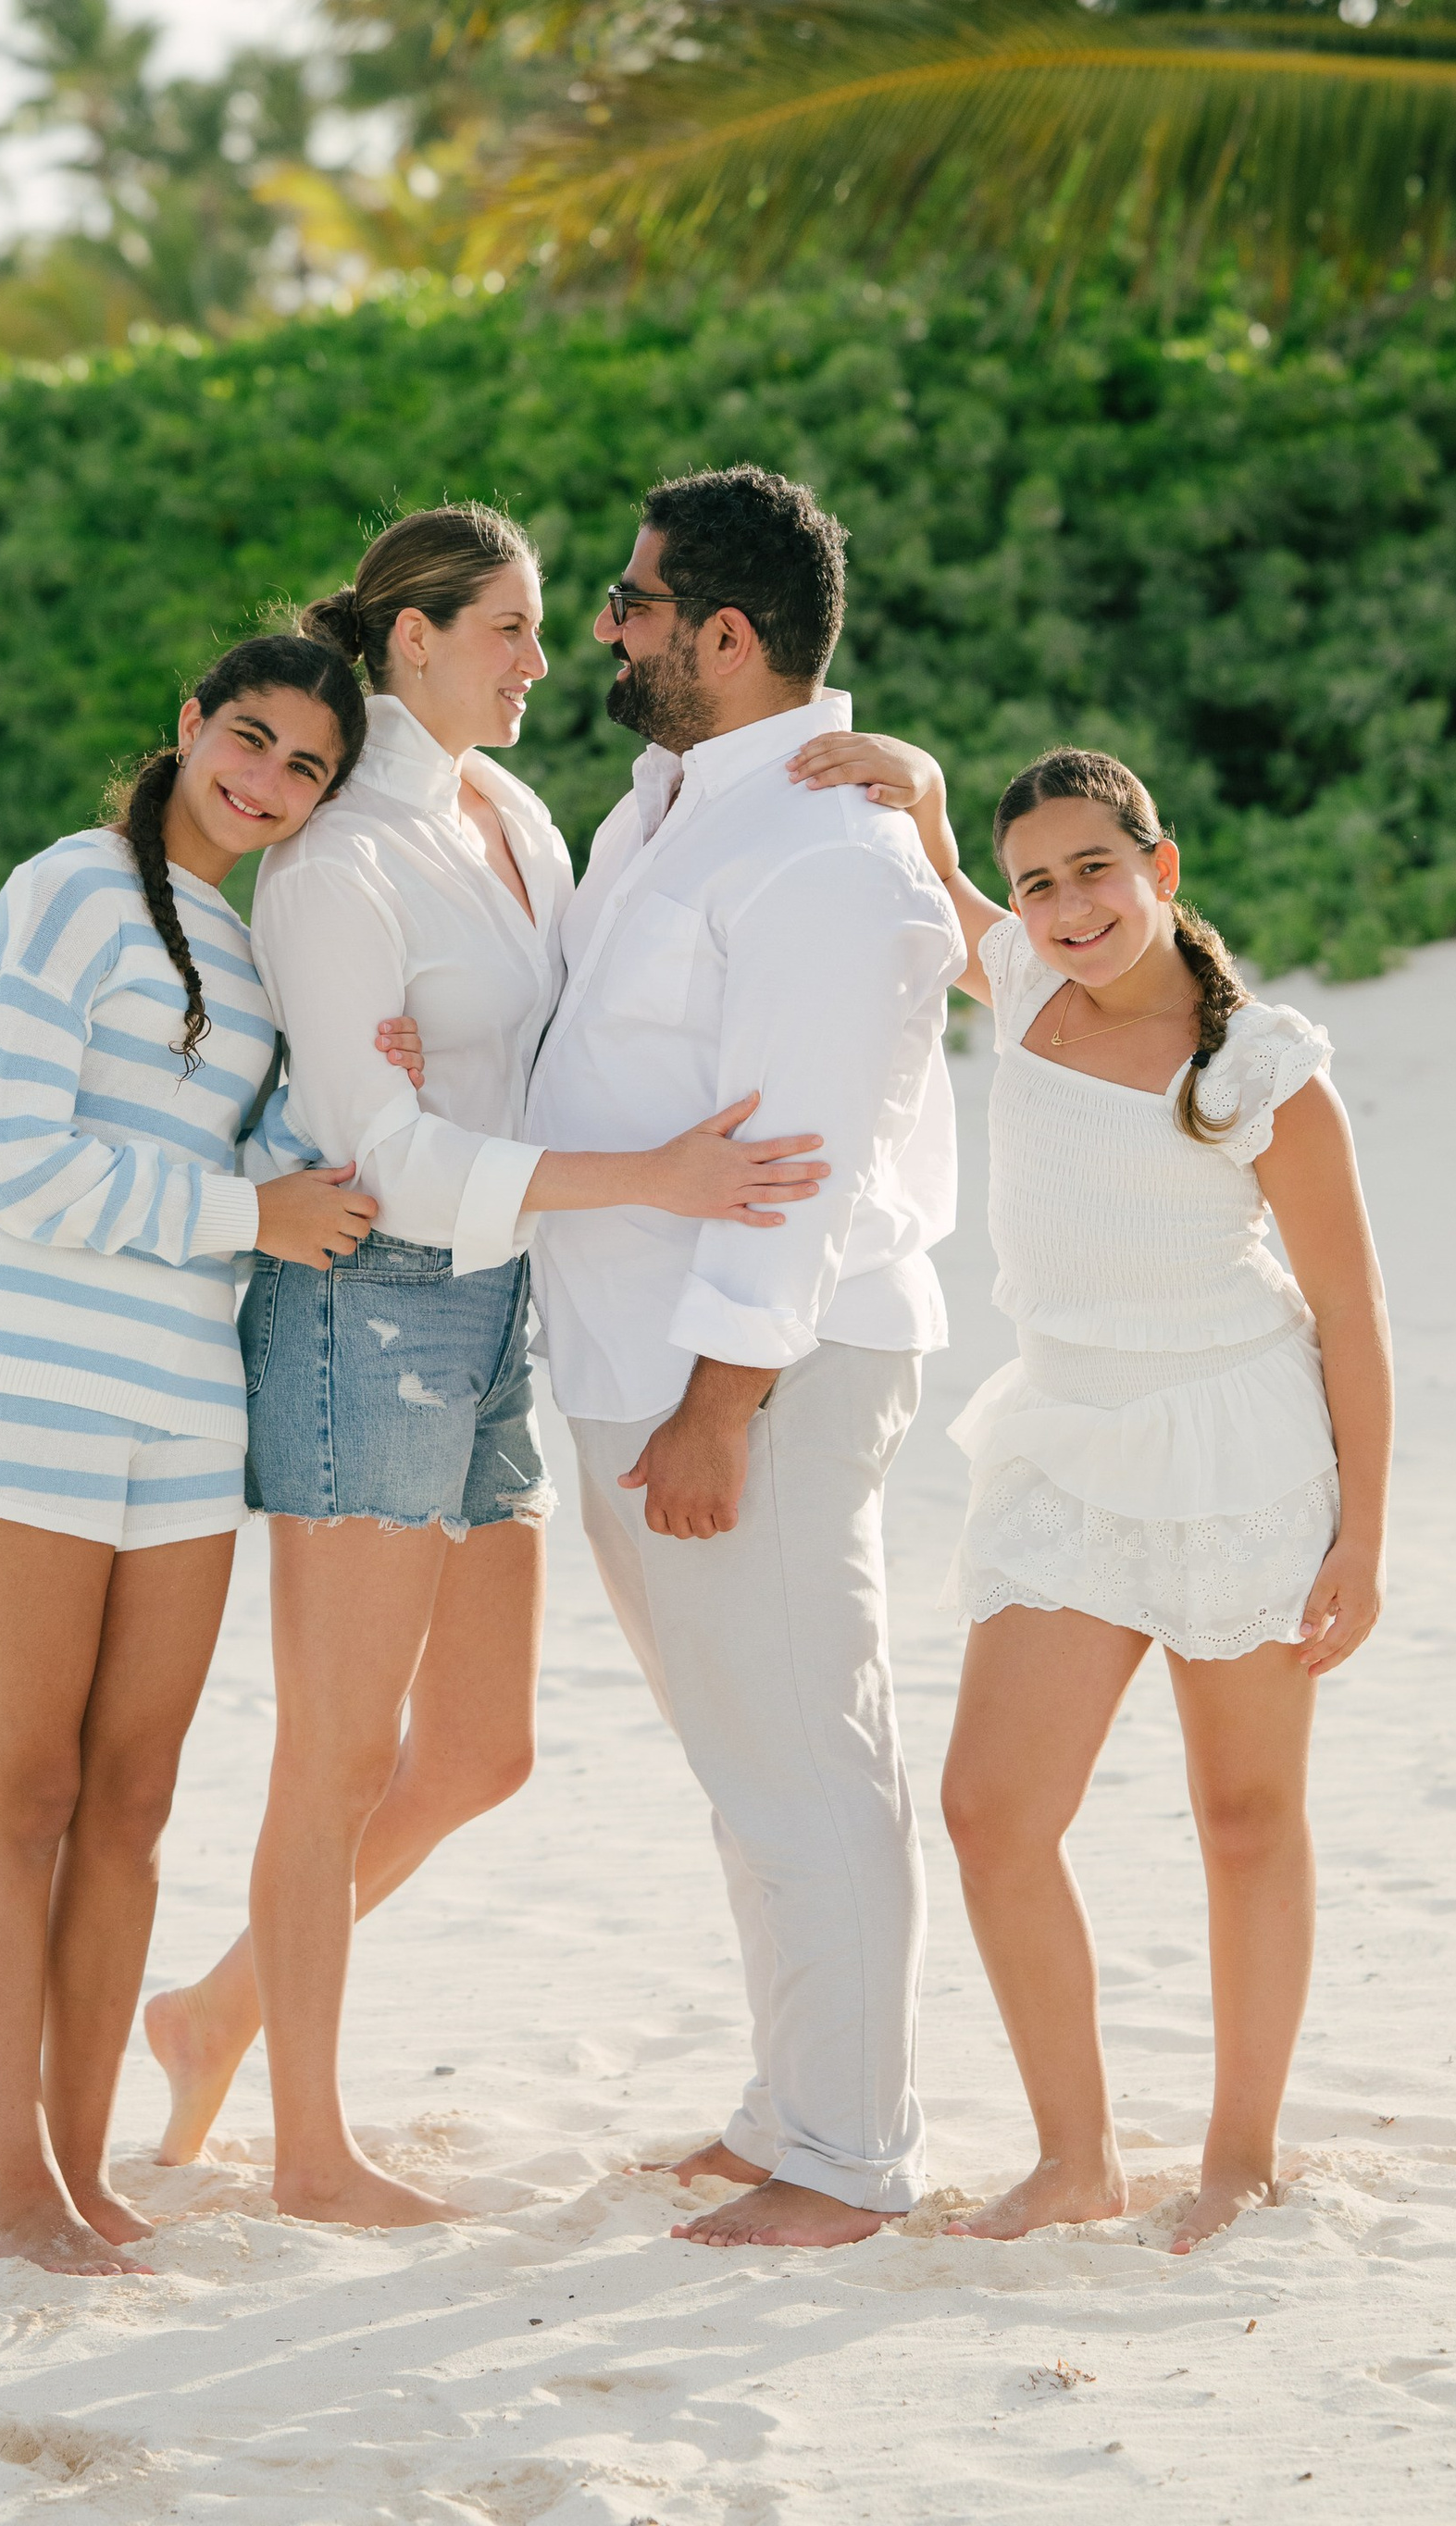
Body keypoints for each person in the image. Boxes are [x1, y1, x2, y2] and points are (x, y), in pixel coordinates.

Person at [145, 503, 831, 2228]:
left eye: (554, 624)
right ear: (413, 639)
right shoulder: (333, 867)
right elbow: (390, 1157)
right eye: (516, 629)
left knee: (478, 1748)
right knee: (337, 1753)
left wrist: (884, 767)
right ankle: (307, 2145)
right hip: (365, 1303)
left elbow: (599, 984)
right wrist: (655, 1178)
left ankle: (215, 2006)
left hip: (500, 1302)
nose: (554, 657)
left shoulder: (512, 812)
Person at [785, 728, 1394, 2254]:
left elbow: (1354, 1315)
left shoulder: (1257, 1069)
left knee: (1245, 1815)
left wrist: (1363, 1539)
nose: (1067, 906)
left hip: (1239, 1451)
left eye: (1095, 871)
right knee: (994, 1811)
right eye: (1038, 882)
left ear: (1160, 868)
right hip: (1066, 1442)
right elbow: (932, 865)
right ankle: (1077, 2157)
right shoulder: (1031, 986)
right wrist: (923, 785)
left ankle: (1239, 2156)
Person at [0, 636, 380, 2273]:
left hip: (187, 1402)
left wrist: (353, 1109)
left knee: (135, 1799)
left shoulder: (245, 957)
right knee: (22, 1787)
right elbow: (24, 1164)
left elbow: (248, 1175)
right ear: (188, 725)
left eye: (306, 765)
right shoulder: (66, 891)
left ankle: (86, 2168)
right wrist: (250, 1206)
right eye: (250, 738)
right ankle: (13, 2182)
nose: (268, 780)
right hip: (27, 1377)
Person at [521, 464, 966, 2252]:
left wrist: (721, 1403)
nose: (606, 629)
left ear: (727, 633)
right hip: (640, 1361)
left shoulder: (824, 850)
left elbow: (811, 1153)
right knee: (747, 1761)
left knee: (808, 1755)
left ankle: (851, 2161)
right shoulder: (670, 810)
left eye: (632, 603)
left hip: (755, 1377)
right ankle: (791, 2105)